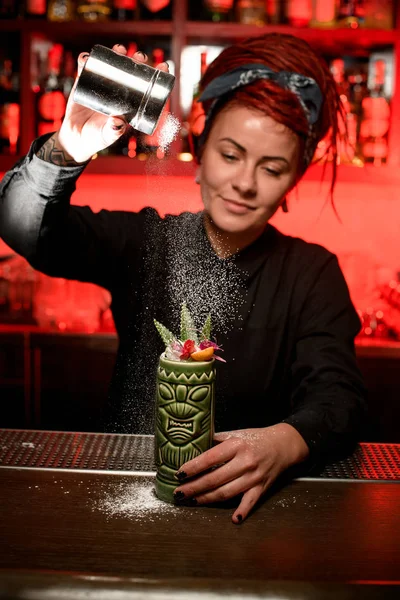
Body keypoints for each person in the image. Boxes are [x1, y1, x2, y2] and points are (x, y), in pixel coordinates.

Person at [0, 34, 366, 524]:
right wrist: (67, 146)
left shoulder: (311, 273)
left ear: (294, 178)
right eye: (231, 155)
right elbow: (22, 227)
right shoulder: (148, 242)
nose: (245, 182)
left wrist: (285, 441)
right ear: (200, 141)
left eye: (272, 167)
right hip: (132, 503)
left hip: (252, 511)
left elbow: (338, 397)